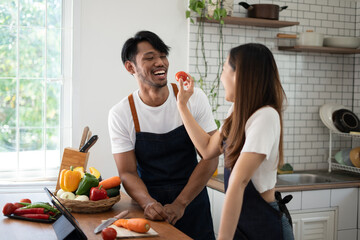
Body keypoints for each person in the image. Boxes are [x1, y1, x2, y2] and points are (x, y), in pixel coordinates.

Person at [177, 43, 294, 240]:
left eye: (224, 70)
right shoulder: (237, 112)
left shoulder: (265, 116)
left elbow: (239, 181)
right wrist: (182, 105)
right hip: (242, 223)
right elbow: (207, 149)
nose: (221, 77)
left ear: (238, 75)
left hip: (265, 226)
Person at [108, 30, 217, 240]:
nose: (160, 62)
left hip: (193, 201)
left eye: (163, 56)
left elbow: (210, 157)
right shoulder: (121, 113)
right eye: (150, 58)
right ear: (131, 67)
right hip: (149, 207)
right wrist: (148, 203)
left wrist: (181, 203)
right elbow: (127, 172)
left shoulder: (192, 98)